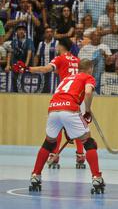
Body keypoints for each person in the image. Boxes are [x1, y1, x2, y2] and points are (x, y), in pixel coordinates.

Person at [28, 59, 105, 194]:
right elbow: (88, 93)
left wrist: (69, 130)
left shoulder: (67, 78)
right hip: (70, 109)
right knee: (89, 143)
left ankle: (35, 176)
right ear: (90, 69)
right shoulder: (88, 77)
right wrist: (87, 111)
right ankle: (97, 178)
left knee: (48, 144)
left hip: (53, 109)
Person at [15, 38, 87, 169]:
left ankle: (54, 155)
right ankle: (80, 156)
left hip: (64, 96)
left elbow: (45, 69)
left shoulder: (60, 58)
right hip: (79, 95)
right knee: (79, 127)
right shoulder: (78, 60)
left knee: (58, 126)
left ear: (61, 46)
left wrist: (27, 69)